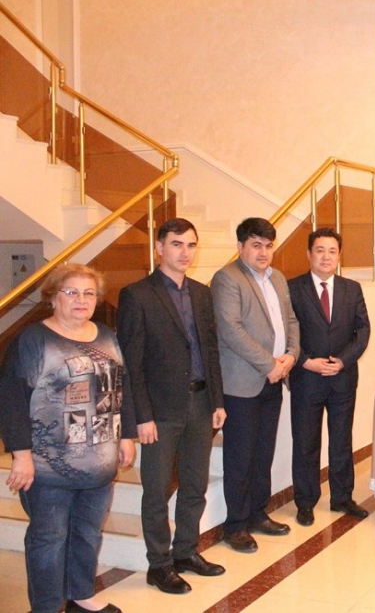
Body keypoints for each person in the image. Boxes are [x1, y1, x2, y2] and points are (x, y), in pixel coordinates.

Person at [0, 264, 135, 613]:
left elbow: (121, 386)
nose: (81, 300)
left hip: (99, 462)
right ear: (53, 297)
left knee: (88, 532)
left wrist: (126, 435)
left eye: (89, 293)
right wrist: (21, 454)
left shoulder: (106, 334)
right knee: (49, 539)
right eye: (71, 292)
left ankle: (80, 594)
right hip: (48, 466)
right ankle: (46, 606)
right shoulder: (34, 339)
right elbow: (12, 399)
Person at [117, 218, 227, 594]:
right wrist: (141, 416)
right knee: (157, 489)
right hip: (160, 411)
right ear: (159, 248)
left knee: (195, 484)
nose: (185, 252)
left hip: (200, 404)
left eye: (191, 245)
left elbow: (210, 351)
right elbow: (132, 364)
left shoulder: (201, 293)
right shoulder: (137, 295)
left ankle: (185, 552)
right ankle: (159, 564)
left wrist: (217, 400)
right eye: (177, 244)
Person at [212, 217, 300, 553]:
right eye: (256, 245)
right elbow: (231, 329)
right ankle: (235, 526)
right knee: (240, 457)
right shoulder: (227, 278)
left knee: (263, 453)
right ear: (240, 247)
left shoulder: (277, 278)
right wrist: (269, 365)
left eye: (268, 246)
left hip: (274, 379)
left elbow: (290, 320)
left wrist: (290, 356)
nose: (263, 252)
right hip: (242, 385)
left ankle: (257, 514)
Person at [288, 227, 371, 526]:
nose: (326, 257)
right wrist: (306, 361)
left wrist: (343, 361)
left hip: (342, 378)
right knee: (305, 442)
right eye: (320, 250)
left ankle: (342, 497)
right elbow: (285, 333)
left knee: (341, 440)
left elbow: (363, 331)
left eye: (332, 251)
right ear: (309, 254)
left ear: (339, 256)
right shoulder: (292, 288)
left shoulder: (352, 289)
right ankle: (305, 502)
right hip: (306, 378)